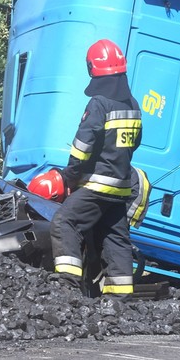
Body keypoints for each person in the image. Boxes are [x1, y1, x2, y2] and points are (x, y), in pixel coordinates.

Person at [48, 39, 143, 299]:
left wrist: (70, 176)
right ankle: (119, 297)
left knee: (65, 222)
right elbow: (135, 143)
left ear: (93, 68)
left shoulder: (99, 103)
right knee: (115, 238)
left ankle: (66, 285)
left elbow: (83, 145)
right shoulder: (133, 105)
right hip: (121, 188)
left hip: (97, 186)